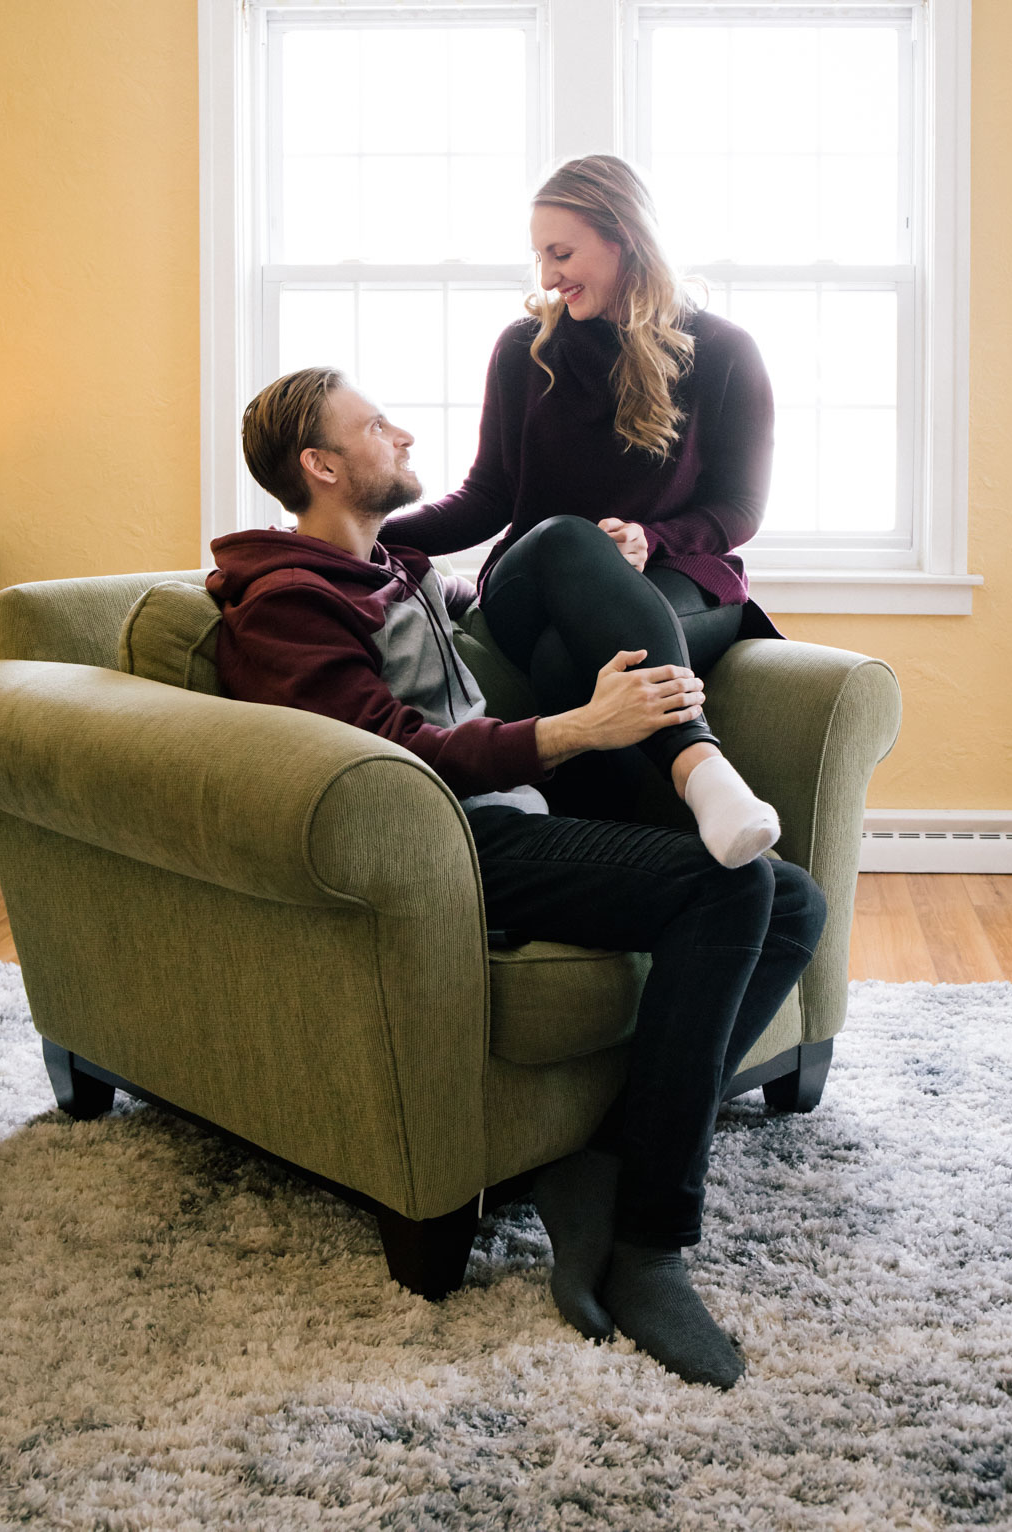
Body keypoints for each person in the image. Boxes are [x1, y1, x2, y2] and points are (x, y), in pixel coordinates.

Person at [207, 366, 827, 1390]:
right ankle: (648, 1241)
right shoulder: (283, 606)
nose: (401, 433)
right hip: (448, 852)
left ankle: (600, 1156)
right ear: (318, 464)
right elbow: (391, 753)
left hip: (514, 819)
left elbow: (481, 647)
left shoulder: (395, 570)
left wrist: (600, 594)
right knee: (729, 886)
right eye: (374, 425)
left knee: (789, 894)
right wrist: (578, 727)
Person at [382, 153, 782, 870]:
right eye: (538, 255)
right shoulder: (523, 350)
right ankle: (700, 768)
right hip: (530, 585)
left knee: (571, 655)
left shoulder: (722, 352)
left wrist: (649, 538)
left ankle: (610, 873)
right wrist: (355, 533)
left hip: (676, 581)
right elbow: (488, 498)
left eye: (560, 253)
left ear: (621, 237)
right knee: (567, 538)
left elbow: (740, 506)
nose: (545, 277)